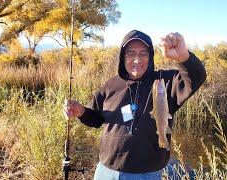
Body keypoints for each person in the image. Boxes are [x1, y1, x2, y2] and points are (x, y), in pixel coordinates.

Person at [64, 30, 206, 179]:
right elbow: (96, 119)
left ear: (150, 56)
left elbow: (197, 77)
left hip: (146, 174)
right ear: (123, 57)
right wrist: (81, 112)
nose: (137, 60)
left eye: (143, 54)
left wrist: (183, 57)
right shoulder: (111, 85)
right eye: (131, 54)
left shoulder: (164, 82)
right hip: (106, 170)